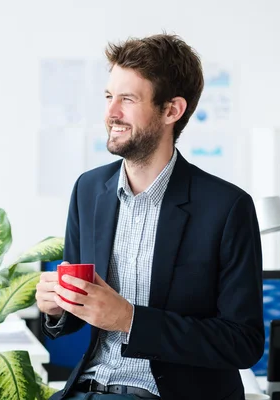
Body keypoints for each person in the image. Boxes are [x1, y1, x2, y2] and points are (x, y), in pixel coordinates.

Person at [35, 33, 264, 400]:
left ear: (172, 110)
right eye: (109, 97)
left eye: (127, 99)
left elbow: (243, 343)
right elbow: (79, 315)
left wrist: (129, 319)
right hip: (85, 388)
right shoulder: (89, 190)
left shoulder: (226, 208)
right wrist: (55, 309)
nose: (111, 113)